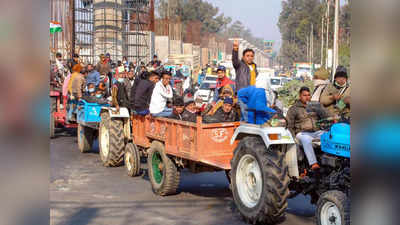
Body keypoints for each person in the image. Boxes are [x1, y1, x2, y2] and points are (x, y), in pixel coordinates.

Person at [286, 87, 329, 171]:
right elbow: (289, 125)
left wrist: (321, 109)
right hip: (302, 133)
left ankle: (330, 161)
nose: (307, 97)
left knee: (329, 136)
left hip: (317, 131)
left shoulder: (315, 105)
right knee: (306, 139)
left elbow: (326, 116)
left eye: (309, 95)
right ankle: (313, 163)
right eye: (304, 95)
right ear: (300, 96)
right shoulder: (294, 108)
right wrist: (293, 138)